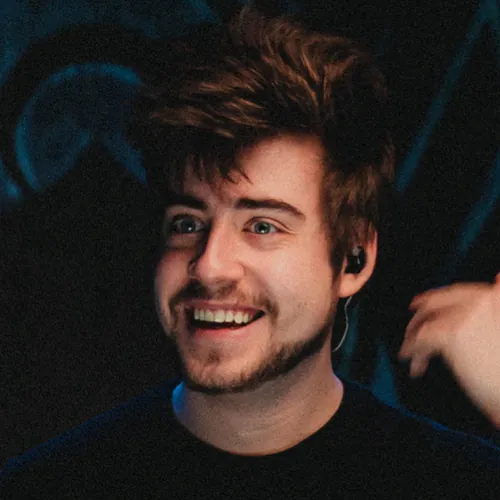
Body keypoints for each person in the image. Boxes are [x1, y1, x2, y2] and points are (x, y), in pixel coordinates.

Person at [2, 7, 500, 499]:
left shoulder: (454, 481)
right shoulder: (48, 486)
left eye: (263, 226)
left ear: (353, 259)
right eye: (188, 223)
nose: (208, 265)